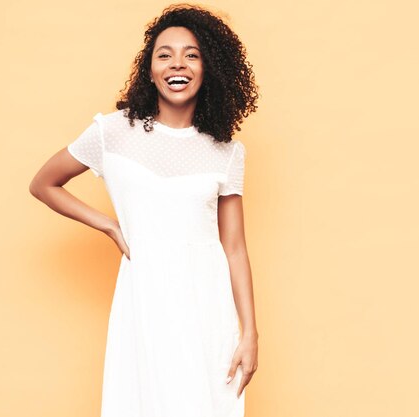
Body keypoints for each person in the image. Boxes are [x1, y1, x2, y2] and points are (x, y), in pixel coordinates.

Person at [29, 4, 259, 416]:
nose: (178, 64)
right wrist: (108, 226)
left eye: (192, 54)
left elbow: (235, 248)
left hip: (206, 304)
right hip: (144, 299)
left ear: (209, 69)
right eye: (164, 53)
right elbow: (44, 183)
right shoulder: (113, 132)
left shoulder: (226, 152)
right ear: (149, 69)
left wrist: (250, 333)